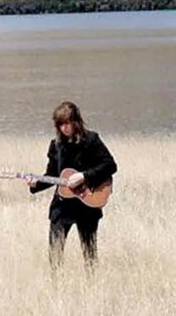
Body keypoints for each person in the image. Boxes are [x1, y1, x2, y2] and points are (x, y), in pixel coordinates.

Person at [28, 100, 118, 269]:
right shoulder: (56, 145)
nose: (64, 128)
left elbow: (110, 165)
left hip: (88, 204)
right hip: (62, 207)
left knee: (90, 254)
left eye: (67, 123)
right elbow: (53, 175)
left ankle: (92, 287)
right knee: (54, 253)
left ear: (76, 122)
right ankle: (57, 288)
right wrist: (35, 184)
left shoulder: (91, 140)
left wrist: (84, 176)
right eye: (60, 125)